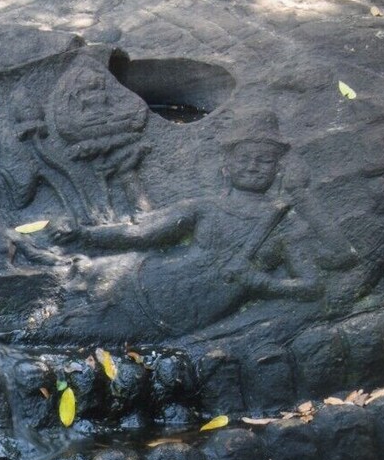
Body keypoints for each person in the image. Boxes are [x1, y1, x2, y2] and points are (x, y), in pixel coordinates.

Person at [47, 111, 323, 338]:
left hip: (180, 318)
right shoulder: (206, 207)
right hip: (142, 281)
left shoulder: (285, 226)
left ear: (278, 168)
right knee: (54, 319)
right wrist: (84, 233)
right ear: (226, 165)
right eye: (244, 158)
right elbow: (143, 232)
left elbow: (312, 286)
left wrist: (261, 283)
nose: (252, 166)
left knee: (70, 333)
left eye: (264, 160)